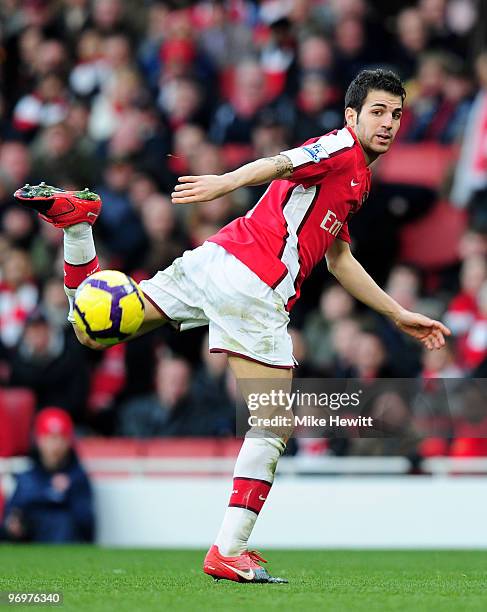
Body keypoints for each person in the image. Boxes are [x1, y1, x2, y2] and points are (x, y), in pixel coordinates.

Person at [14, 69, 451, 582]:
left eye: (397, 114)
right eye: (377, 111)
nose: (388, 123)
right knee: (273, 421)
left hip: (218, 259)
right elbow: (282, 161)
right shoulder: (341, 148)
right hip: (254, 283)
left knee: (95, 328)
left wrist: (397, 313)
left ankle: (79, 224)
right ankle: (229, 549)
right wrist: (225, 181)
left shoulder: (356, 179)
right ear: (352, 116)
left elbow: (338, 258)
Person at [0, 407, 94, 543]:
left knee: (62, 521)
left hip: (66, 547)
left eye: (60, 439)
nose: (55, 446)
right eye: (50, 439)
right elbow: (10, 520)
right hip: (30, 548)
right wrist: (14, 526)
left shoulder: (77, 477)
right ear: (39, 440)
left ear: (69, 441)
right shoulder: (26, 476)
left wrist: (68, 492)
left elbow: (87, 524)